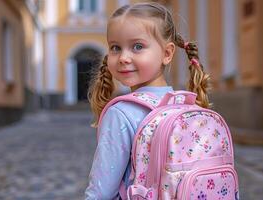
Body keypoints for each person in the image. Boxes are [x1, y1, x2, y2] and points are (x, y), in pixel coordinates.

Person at [85, 2, 212, 199]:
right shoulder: (187, 105)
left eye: (137, 47)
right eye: (115, 47)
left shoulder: (121, 113)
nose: (123, 57)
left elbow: (101, 190)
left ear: (167, 53)